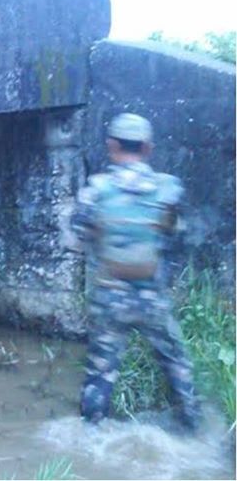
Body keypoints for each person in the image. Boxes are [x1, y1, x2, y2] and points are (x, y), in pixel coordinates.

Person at [71, 113, 200, 430]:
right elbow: (176, 234)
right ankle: (194, 428)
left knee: (101, 371)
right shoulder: (168, 188)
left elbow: (77, 238)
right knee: (176, 363)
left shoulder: (96, 190)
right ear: (148, 148)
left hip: (110, 300)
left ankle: (90, 435)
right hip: (152, 300)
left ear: (111, 146)